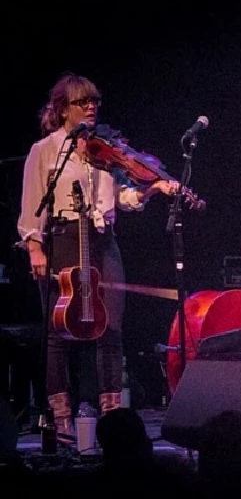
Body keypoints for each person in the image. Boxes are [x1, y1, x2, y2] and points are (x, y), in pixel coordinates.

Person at [17, 73, 179, 437]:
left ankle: (111, 422)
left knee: (111, 329)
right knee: (59, 333)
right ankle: (61, 421)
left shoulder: (104, 150)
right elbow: (32, 205)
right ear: (62, 110)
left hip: (103, 240)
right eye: (82, 102)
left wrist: (151, 190)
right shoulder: (44, 151)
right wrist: (34, 246)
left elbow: (122, 198)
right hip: (61, 240)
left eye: (95, 102)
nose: (92, 107)